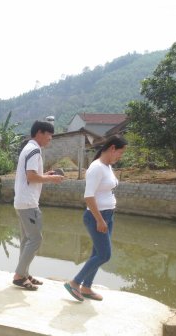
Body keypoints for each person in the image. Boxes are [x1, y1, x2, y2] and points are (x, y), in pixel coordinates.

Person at [64, 136, 128, 302]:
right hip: (96, 216)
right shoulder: (96, 168)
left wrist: (105, 218)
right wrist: (99, 220)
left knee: (97, 253)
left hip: (107, 215)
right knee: (105, 255)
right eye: (120, 153)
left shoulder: (107, 167)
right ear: (112, 148)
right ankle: (75, 283)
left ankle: (86, 287)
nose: (120, 157)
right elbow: (89, 196)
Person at [11, 120, 64, 290]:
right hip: (28, 203)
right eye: (49, 135)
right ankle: (19, 275)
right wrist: (52, 178)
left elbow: (32, 175)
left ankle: (24, 273)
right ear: (40, 132)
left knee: (27, 239)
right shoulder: (34, 150)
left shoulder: (28, 148)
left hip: (22, 201)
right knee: (35, 239)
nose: (50, 139)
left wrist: (45, 174)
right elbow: (31, 177)